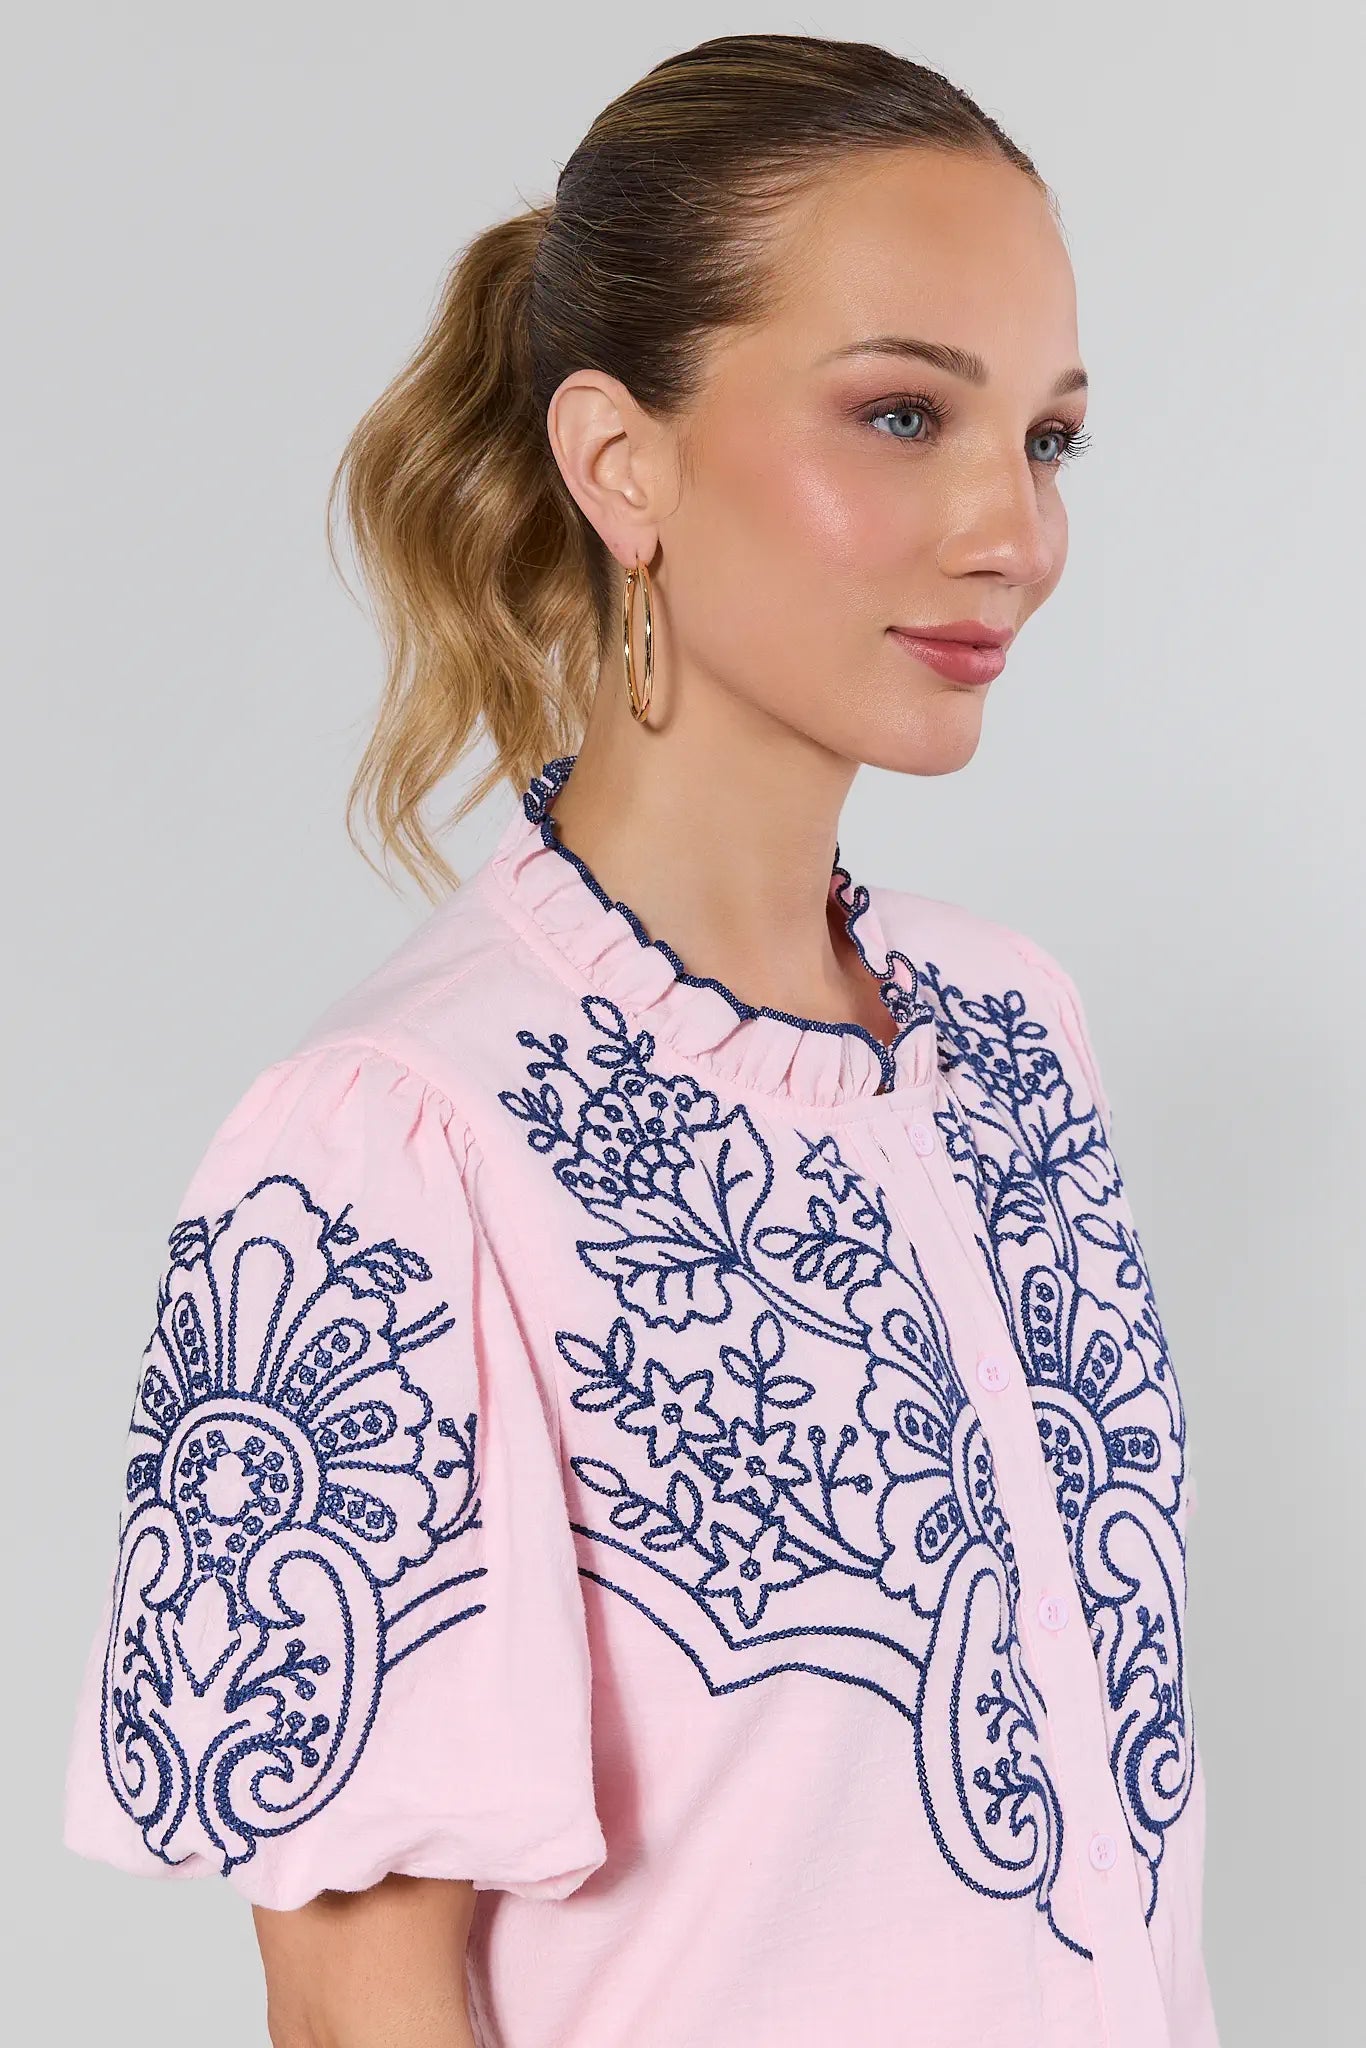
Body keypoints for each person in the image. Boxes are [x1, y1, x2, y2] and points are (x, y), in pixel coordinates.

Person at [60, 30, 1220, 2048]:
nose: (1005, 530)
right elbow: (358, 1998)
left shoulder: (1013, 1042)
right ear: (621, 462)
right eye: (893, 414)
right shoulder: (389, 1139)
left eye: (1044, 439)